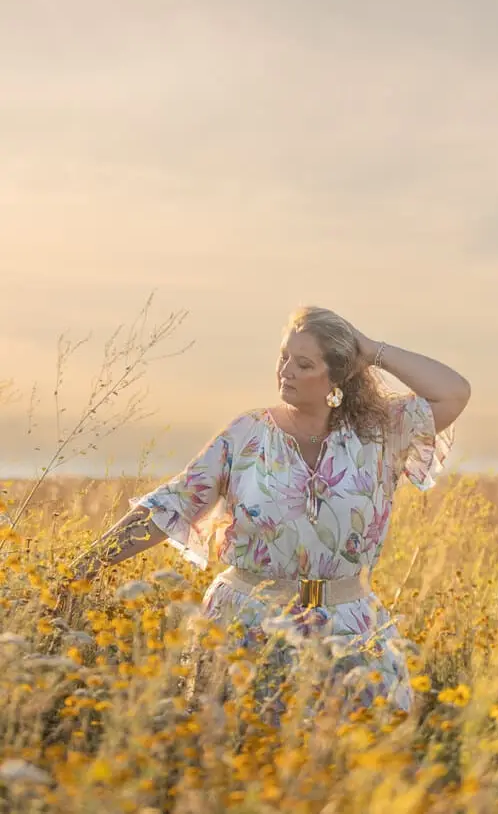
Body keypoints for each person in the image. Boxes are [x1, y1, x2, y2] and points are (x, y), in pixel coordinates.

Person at [66, 306, 471, 714]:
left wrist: (370, 349)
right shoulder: (247, 435)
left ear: (337, 376)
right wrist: (85, 565)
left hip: (349, 630)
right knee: (241, 746)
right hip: (246, 625)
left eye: (304, 364)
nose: (286, 371)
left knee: (360, 748)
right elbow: (172, 503)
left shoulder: (379, 434)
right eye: (283, 357)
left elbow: (453, 392)